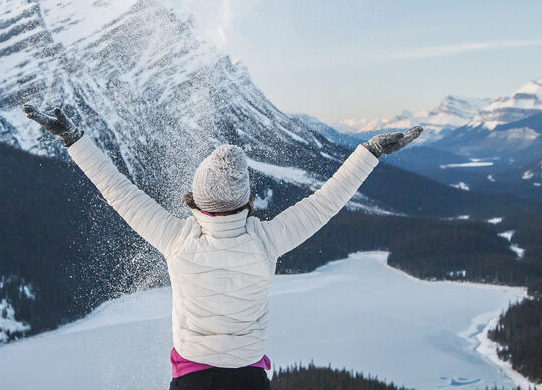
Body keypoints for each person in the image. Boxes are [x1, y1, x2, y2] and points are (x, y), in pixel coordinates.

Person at [23, 104, 422, 390]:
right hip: (249, 377)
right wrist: (370, 152)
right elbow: (326, 201)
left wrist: (73, 138)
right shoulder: (267, 241)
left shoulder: (176, 239)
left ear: (196, 197)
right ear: (246, 199)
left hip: (192, 380)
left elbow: (117, 190)